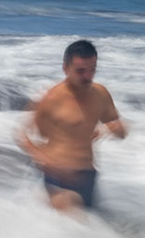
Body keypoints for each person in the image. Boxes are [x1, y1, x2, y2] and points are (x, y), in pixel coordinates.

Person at [18, 39, 125, 212]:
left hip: (87, 177)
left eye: (92, 70)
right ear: (65, 69)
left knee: (88, 230)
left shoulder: (101, 94)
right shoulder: (52, 98)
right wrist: (42, 158)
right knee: (76, 225)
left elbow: (119, 129)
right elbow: (23, 136)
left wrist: (114, 129)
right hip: (58, 179)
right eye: (81, 71)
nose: (88, 77)